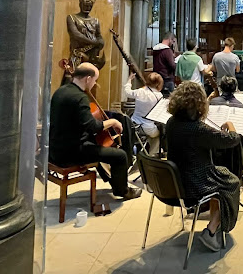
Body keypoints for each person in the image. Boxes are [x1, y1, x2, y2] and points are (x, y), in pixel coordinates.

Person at [166, 82, 241, 251]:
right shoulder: (198, 129)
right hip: (194, 184)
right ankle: (212, 230)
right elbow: (232, 140)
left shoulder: (171, 122)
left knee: (222, 176)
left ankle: (214, 220)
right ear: (200, 104)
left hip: (174, 182)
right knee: (232, 183)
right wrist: (230, 125)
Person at [49, 62, 141, 200]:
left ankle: (114, 182)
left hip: (55, 148)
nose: (94, 84)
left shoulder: (60, 91)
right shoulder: (80, 97)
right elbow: (93, 126)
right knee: (120, 155)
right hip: (71, 153)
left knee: (99, 147)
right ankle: (123, 191)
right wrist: (113, 121)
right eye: (95, 80)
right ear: (87, 79)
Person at [210, 76, 243, 168]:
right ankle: (239, 168)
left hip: (215, 147)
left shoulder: (212, 102)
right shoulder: (240, 105)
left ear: (221, 87)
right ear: (235, 89)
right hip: (235, 150)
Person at [124, 72, 164, 156]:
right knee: (160, 134)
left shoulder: (140, 91)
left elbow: (127, 92)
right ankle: (152, 155)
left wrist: (129, 80)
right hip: (148, 127)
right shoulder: (158, 95)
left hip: (134, 124)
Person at [66, 0, 106, 70]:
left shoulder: (95, 21)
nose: (88, 8)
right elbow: (76, 35)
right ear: (80, 5)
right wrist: (93, 42)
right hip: (79, 54)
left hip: (93, 55)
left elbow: (98, 35)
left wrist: (101, 41)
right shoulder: (72, 18)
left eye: (90, 6)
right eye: (85, 5)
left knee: (91, 76)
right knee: (75, 76)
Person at [152, 31, 177, 96]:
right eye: (173, 41)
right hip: (167, 79)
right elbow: (172, 65)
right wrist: (176, 63)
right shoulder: (167, 51)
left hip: (157, 78)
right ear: (169, 39)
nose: (172, 44)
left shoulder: (155, 49)